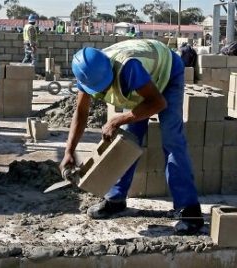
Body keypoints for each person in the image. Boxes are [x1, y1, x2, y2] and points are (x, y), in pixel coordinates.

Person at [60, 39, 204, 235]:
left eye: (105, 86)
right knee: (127, 138)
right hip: (143, 81)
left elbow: (158, 103)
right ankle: (116, 200)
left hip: (167, 71)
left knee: (172, 139)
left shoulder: (128, 68)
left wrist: (117, 120)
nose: (103, 91)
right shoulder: (88, 74)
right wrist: (69, 151)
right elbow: (81, 112)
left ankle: (190, 212)